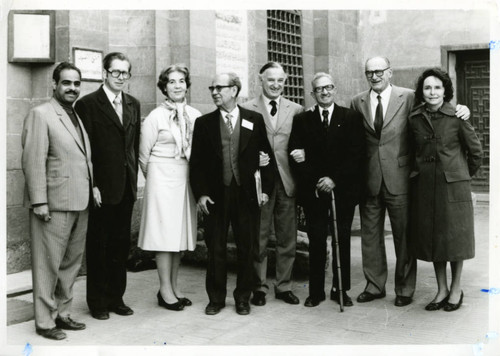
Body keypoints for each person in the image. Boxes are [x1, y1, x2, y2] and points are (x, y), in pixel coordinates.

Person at [350, 56, 470, 307]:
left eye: (380, 71)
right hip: (370, 178)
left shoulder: (408, 97)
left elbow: (435, 108)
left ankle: (404, 289)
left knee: (404, 236)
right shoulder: (357, 102)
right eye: (370, 72)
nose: (375, 76)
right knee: (370, 235)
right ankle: (374, 286)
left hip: (401, 177)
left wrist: (462, 109)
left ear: (390, 72)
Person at [189, 72, 274, 316]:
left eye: (220, 87)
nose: (215, 92)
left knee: (247, 248)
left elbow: (266, 158)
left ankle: (242, 298)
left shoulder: (254, 120)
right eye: (212, 87)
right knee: (215, 248)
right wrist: (201, 194)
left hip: (246, 194)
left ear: (234, 90)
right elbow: (197, 164)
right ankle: (216, 299)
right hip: (216, 194)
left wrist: (265, 191)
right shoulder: (204, 123)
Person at [21, 62, 93, 340]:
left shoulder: (75, 115)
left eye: (76, 83)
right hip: (53, 204)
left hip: (80, 201)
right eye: (66, 83)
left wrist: (93, 188)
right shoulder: (41, 114)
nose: (72, 88)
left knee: (70, 264)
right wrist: (39, 201)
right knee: (47, 265)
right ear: (54, 84)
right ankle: (44, 321)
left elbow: (81, 159)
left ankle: (62, 313)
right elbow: (33, 160)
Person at [408, 68, 482, 311]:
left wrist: (460, 176)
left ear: (445, 91)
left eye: (437, 87)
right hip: (426, 189)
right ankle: (441, 289)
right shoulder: (415, 117)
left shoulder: (457, 116)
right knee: (434, 239)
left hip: (453, 190)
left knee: (454, 240)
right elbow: (412, 152)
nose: (432, 92)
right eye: (428, 87)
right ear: (422, 91)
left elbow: (476, 153)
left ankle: (456, 288)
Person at [288, 72, 365, 307]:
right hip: (314, 191)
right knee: (317, 240)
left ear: (334, 89)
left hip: (342, 190)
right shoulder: (303, 120)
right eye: (319, 89)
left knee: (341, 239)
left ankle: (340, 289)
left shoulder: (350, 117)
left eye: (328, 87)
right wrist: (317, 179)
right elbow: (296, 155)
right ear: (312, 94)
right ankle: (316, 291)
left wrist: (334, 179)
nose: (324, 92)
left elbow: (356, 155)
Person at [75, 52, 141, 320]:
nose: (121, 77)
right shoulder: (88, 104)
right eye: (116, 72)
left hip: (126, 187)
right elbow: (84, 149)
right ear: (104, 73)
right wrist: (93, 185)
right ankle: (97, 302)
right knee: (99, 245)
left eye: (125, 73)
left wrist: (135, 178)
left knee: (120, 245)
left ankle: (117, 298)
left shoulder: (133, 103)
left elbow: (133, 146)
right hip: (101, 188)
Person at [138, 64, 201, 311]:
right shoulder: (155, 116)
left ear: (187, 85)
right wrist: (156, 179)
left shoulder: (195, 115)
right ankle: (164, 289)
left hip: (185, 178)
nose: (177, 86)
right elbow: (143, 156)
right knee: (164, 236)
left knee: (179, 235)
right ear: (164, 87)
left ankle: (175, 287)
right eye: (172, 82)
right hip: (161, 177)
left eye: (181, 81)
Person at [241, 62, 303, 306]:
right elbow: (240, 146)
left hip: (287, 180)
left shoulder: (296, 109)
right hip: (260, 183)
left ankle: (284, 286)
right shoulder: (246, 108)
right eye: (270, 80)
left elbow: (303, 141)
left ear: (285, 81)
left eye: (280, 80)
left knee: (288, 237)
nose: (275, 84)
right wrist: (252, 157)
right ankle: (259, 287)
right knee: (260, 236)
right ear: (261, 80)